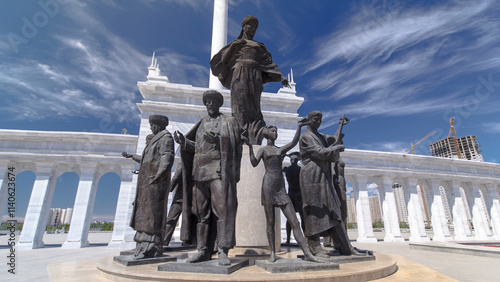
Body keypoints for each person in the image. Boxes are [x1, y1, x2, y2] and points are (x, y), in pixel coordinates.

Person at [174, 90, 242, 266]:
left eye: (213, 102)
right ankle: (203, 250)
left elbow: (236, 143)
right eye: (207, 102)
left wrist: (220, 139)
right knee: (201, 214)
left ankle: (222, 250)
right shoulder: (202, 123)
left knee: (223, 211)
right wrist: (184, 142)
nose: (209, 105)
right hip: (200, 173)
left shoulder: (228, 122)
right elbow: (197, 147)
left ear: (219, 104)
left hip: (218, 172)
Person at [246, 123, 321, 263]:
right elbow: (254, 162)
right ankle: (272, 253)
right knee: (270, 222)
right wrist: (250, 147)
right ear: (267, 133)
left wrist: (299, 127)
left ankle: (307, 253)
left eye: (276, 131)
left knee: (295, 222)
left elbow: (294, 142)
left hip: (281, 188)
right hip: (268, 186)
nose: (275, 133)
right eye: (273, 131)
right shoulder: (263, 149)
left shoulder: (280, 150)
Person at [210, 15, 290, 144]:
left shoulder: (259, 46)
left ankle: (254, 135)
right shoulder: (236, 44)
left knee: (254, 107)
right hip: (239, 74)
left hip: (255, 76)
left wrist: (281, 77)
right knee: (239, 105)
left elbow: (268, 63)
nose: (252, 29)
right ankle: (240, 135)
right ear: (243, 27)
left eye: (255, 27)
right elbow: (222, 61)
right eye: (250, 25)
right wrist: (233, 46)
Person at [299, 111, 360, 257]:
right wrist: (335, 148)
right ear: (308, 120)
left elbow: (333, 141)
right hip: (312, 177)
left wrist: (340, 127)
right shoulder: (306, 137)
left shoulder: (320, 136)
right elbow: (320, 152)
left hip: (324, 178)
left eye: (320, 119)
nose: (318, 121)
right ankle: (315, 247)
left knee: (334, 211)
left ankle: (345, 247)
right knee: (314, 211)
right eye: (315, 119)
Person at [122, 115, 174, 259]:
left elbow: (167, 157)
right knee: (144, 214)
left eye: (153, 125)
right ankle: (141, 245)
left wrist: (159, 175)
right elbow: (146, 159)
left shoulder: (166, 138)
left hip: (155, 182)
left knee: (151, 214)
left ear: (159, 125)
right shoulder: (153, 140)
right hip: (147, 183)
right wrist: (132, 156)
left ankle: (151, 247)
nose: (151, 127)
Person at [283, 152, 305, 244]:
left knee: (290, 218)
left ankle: (288, 239)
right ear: (296, 161)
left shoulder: (287, 169)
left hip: (290, 194)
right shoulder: (301, 170)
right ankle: (306, 238)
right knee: (303, 217)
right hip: (299, 195)